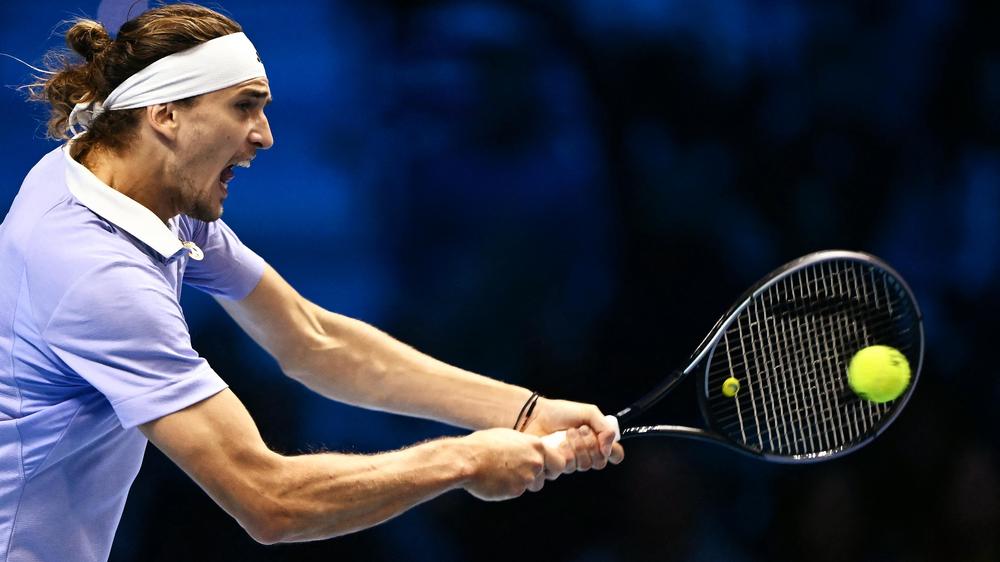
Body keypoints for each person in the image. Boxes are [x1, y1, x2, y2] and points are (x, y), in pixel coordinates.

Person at [0, 4, 624, 561]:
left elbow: (311, 339)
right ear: (164, 114)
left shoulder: (119, 174)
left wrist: (523, 413)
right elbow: (270, 500)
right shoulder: (97, 275)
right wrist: (462, 459)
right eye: (244, 105)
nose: (265, 136)